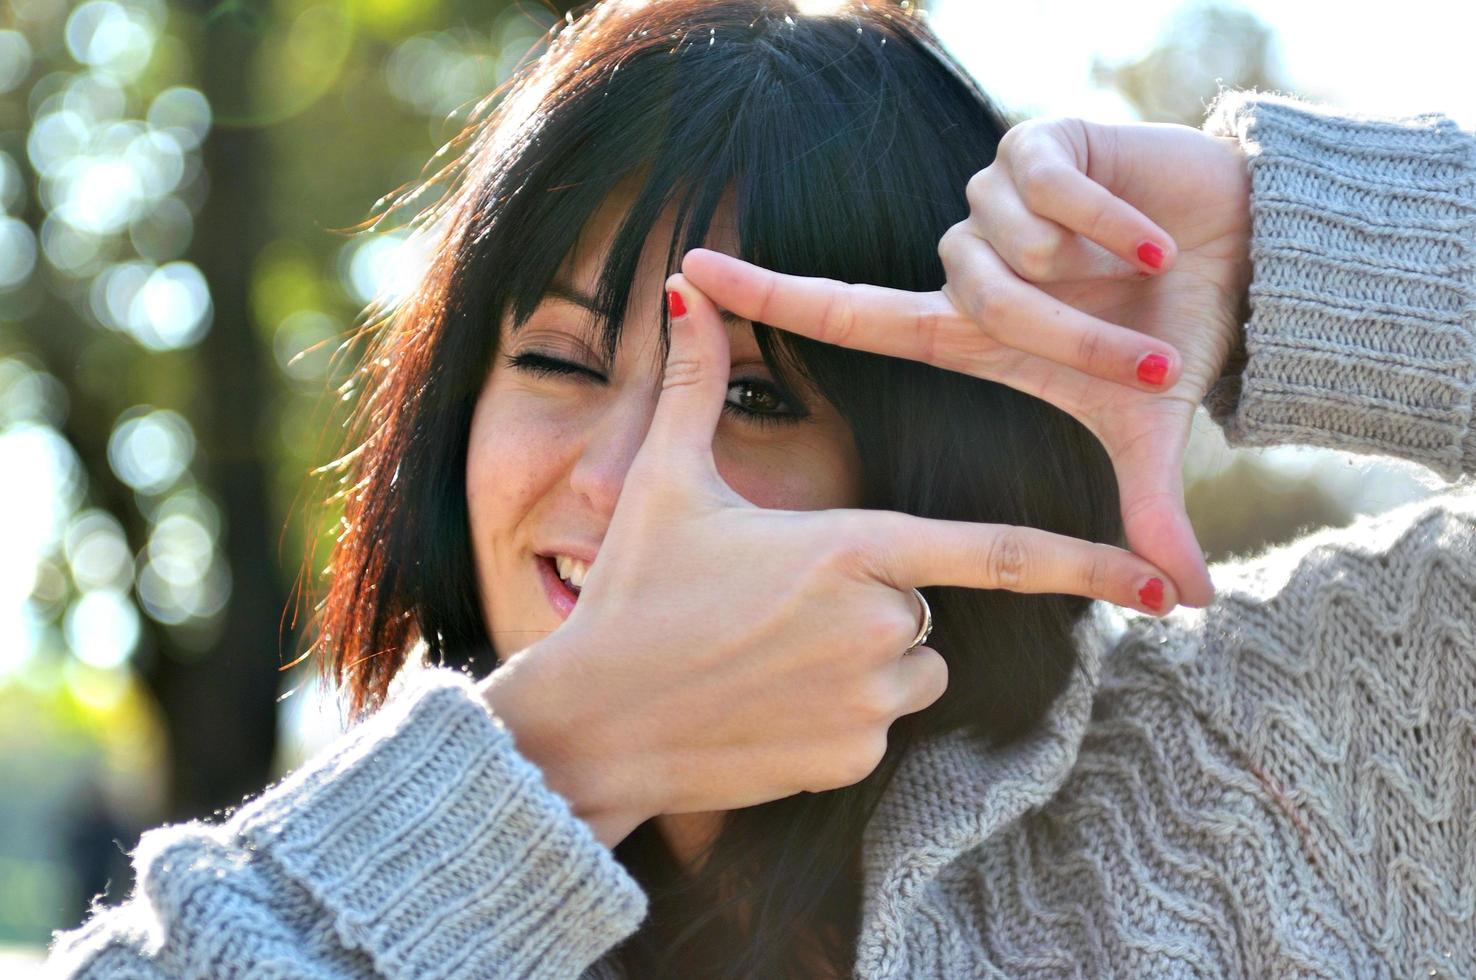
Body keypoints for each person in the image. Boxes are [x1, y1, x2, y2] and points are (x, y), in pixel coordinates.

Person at [47, 0, 1475, 977]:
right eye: (555, 359)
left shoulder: (1282, 764)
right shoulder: (354, 887)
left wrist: (1278, 249)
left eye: (751, 394)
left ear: (933, 448)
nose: (621, 484)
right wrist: (554, 768)